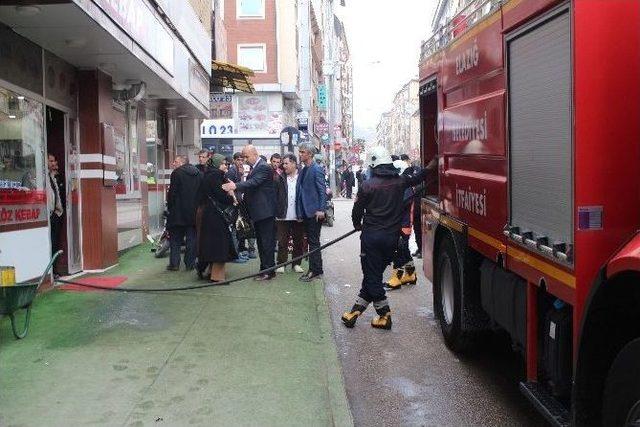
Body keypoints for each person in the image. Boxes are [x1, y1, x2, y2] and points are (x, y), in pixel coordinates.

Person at [341, 146, 432, 330]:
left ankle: (385, 315)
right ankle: (354, 312)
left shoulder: (367, 185)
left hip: (371, 239)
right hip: (391, 240)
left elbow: (357, 211)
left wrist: (357, 224)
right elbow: (417, 178)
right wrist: (432, 167)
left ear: (373, 165)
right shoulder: (399, 182)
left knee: (372, 277)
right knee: (373, 275)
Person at [222, 145, 277, 281]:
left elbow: (254, 182)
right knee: (262, 243)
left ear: (254, 154)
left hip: (265, 212)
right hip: (259, 212)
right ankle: (266, 269)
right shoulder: (257, 167)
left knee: (266, 243)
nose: (245, 160)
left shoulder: (263, 167)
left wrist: (235, 185)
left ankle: (268, 271)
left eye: (246, 157)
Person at [198, 154, 238, 282]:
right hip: (216, 216)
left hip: (210, 214)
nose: (225, 165)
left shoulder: (208, 175)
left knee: (211, 245)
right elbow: (221, 196)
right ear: (217, 164)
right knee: (219, 246)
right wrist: (231, 197)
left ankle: (209, 271)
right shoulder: (216, 176)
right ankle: (217, 276)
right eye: (223, 163)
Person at [296, 142, 327, 282]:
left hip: (315, 212)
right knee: (312, 241)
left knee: (313, 242)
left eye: (302, 152)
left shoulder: (316, 169)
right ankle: (317, 269)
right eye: (300, 152)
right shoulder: (304, 169)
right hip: (306, 212)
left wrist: (321, 209)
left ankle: (314, 270)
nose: (300, 154)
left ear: (309, 154)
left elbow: (322, 191)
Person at [166, 155, 202, 271]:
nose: (173, 164)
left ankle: (174, 264)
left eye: (175, 161)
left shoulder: (176, 173)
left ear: (182, 162)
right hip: (193, 213)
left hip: (177, 212)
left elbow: (172, 193)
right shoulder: (199, 174)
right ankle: (190, 263)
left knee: (175, 239)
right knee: (192, 239)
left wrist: (170, 207)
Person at [274, 153, 305, 274]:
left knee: (299, 241)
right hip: (282, 214)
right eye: (283, 163)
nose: (284, 165)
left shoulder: (302, 177)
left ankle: (296, 264)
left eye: (286, 163)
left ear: (293, 163)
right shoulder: (280, 178)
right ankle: (281, 264)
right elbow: (274, 196)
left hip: (298, 214)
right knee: (282, 241)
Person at [226, 152, 256, 260]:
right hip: (236, 204)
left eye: (241, 159)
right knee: (236, 228)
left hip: (243, 203)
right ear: (234, 160)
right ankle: (236, 253)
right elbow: (231, 188)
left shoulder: (241, 170)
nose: (240, 161)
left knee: (245, 227)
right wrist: (234, 200)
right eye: (238, 159)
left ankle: (244, 250)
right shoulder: (232, 171)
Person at [47, 154, 64, 268]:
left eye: (54, 161)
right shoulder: (43, 176)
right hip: (48, 214)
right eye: (51, 161)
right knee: (50, 242)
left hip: (56, 214)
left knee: (55, 242)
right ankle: (51, 270)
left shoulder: (53, 176)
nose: (53, 163)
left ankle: (54, 270)